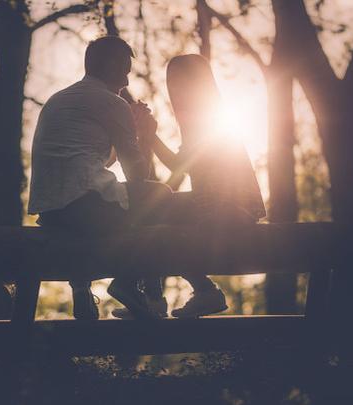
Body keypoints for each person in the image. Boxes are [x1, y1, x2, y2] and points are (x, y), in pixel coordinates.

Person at [112, 54, 267, 318]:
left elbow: (180, 165)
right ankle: (160, 296)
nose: (175, 91)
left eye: (180, 84)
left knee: (158, 211)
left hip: (231, 208)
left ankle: (171, 295)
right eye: (172, 85)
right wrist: (148, 136)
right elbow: (180, 166)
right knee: (156, 207)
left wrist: (150, 134)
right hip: (213, 205)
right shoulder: (197, 121)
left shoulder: (211, 118)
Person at [28, 36, 170, 320]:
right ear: (110, 64)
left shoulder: (61, 99)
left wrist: (125, 128)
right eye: (125, 71)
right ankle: (134, 287)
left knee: (118, 201)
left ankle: (84, 292)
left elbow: (93, 160)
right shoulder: (111, 102)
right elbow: (136, 174)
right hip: (84, 206)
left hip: (51, 210)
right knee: (161, 195)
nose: (127, 82)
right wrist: (145, 135)